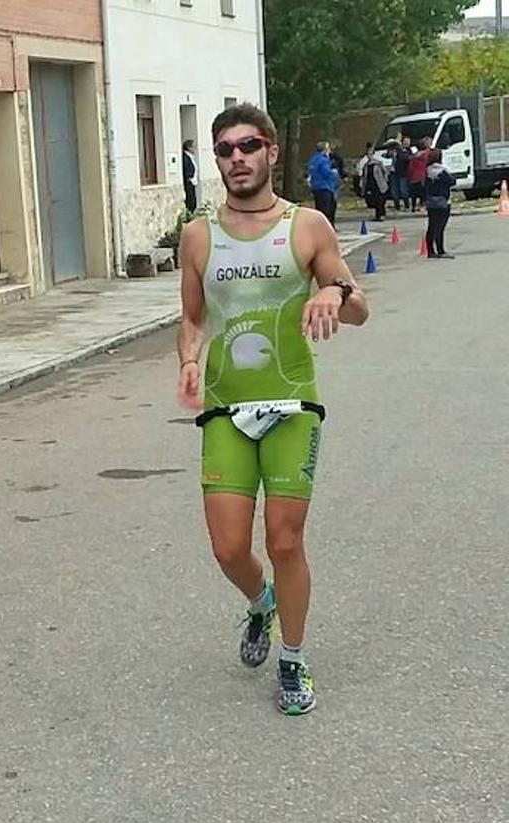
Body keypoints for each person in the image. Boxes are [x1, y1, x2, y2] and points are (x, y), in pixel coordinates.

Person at [176, 105, 370, 716]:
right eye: (225, 150)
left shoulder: (307, 226)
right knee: (228, 548)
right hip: (226, 406)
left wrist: (333, 292)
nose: (237, 158)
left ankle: (293, 657)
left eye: (248, 146)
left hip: (292, 403)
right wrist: (188, 359)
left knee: (285, 541)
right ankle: (259, 601)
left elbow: (359, 304)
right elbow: (191, 317)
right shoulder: (198, 235)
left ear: (271, 152)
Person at [424, 147, 457, 259]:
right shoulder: (442, 171)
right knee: (440, 227)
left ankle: (430, 251)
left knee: (431, 226)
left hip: (430, 201)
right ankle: (441, 250)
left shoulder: (427, 171)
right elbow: (452, 182)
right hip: (443, 201)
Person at [307, 142, 339, 226]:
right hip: (325, 187)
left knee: (320, 209)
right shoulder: (323, 160)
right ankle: (328, 228)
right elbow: (327, 173)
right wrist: (334, 173)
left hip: (316, 187)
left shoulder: (313, 159)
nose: (329, 150)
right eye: (328, 148)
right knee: (328, 210)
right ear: (324, 150)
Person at [359, 144, 390, 222]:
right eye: (368, 154)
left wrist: (385, 180)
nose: (369, 156)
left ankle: (381, 214)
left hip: (379, 184)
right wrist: (363, 185)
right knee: (374, 200)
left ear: (373, 154)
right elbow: (364, 176)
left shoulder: (378, 163)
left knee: (380, 200)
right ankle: (377, 215)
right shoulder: (366, 166)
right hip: (370, 184)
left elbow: (385, 172)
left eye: (371, 154)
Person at [390, 136, 413, 212]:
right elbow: (387, 155)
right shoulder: (396, 150)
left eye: (408, 141)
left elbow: (406, 158)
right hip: (394, 172)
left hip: (404, 173)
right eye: (405, 141)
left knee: (403, 190)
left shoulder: (409, 151)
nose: (407, 143)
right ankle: (397, 206)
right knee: (394, 191)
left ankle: (407, 205)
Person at [408, 137, 432, 210]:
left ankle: (415, 206)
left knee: (416, 192)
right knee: (423, 191)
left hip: (417, 175)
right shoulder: (428, 153)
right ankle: (422, 205)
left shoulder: (415, 155)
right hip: (422, 174)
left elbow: (411, 165)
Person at [182, 139, 199, 212]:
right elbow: (186, 170)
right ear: (189, 148)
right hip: (189, 183)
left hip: (192, 183)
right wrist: (190, 179)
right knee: (191, 204)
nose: (195, 148)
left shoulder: (191, 157)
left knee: (193, 204)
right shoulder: (186, 157)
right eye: (193, 147)